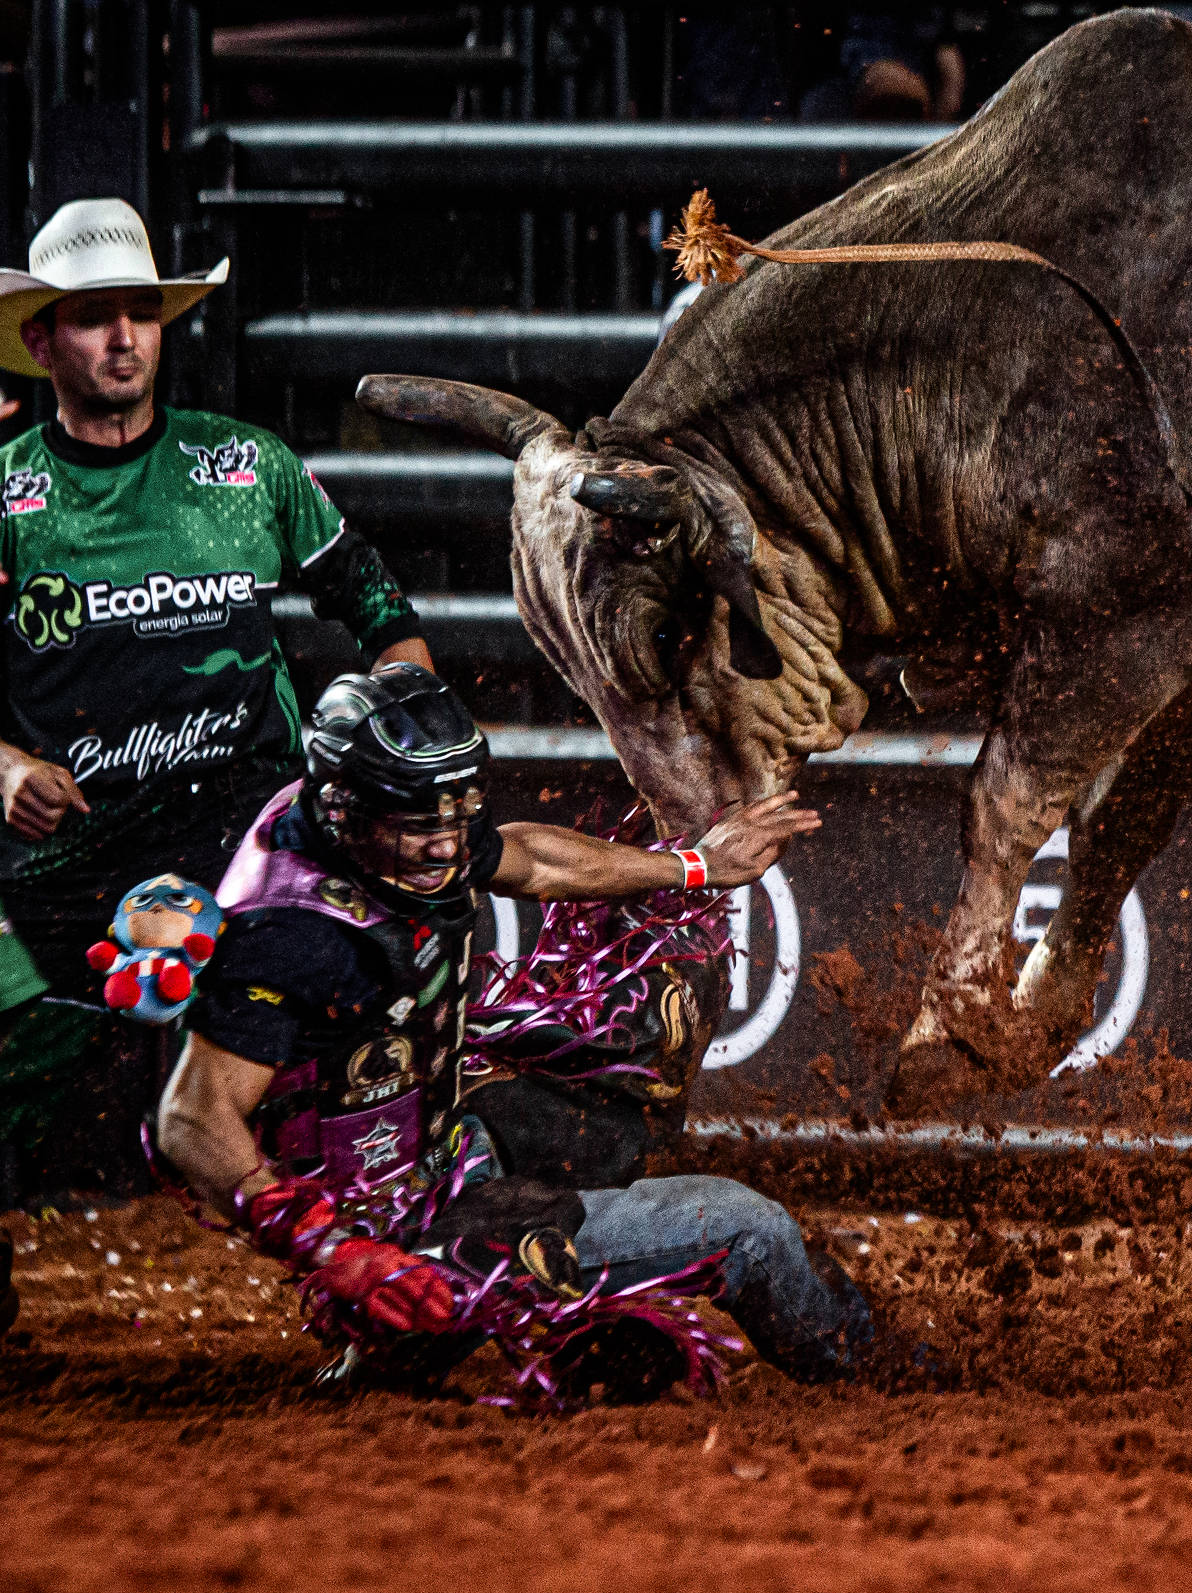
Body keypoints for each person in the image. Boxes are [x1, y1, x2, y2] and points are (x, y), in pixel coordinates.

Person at [156, 665, 877, 1389]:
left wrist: (696, 864)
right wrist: (332, 1250)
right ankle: (880, 1371)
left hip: (444, 1140)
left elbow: (530, 860)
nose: (445, 847)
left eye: (453, 819)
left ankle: (559, 1321)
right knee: (747, 1229)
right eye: (419, 828)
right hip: (393, 1245)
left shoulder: (375, 817)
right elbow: (190, 1117)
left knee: (636, 1060)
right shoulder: (290, 938)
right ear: (347, 811)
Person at [0, 197, 434, 1206]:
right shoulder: (8, 498)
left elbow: (376, 604)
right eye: (92, 315)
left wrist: (408, 713)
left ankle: (389, 1229)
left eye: (141, 312)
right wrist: (8, 767)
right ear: (40, 338)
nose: (123, 338)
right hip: (77, 859)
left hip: (254, 837)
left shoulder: (245, 466)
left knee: (378, 1010)